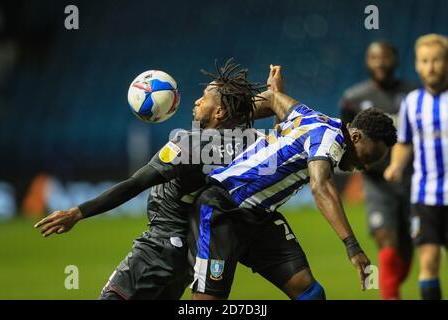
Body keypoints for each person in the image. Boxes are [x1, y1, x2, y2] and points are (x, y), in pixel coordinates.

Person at [34, 59, 290, 300]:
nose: (197, 102)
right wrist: (275, 97)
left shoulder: (188, 146)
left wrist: (78, 212)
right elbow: (272, 135)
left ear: (220, 111)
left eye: (204, 99)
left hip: (156, 249)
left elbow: (135, 184)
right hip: (187, 258)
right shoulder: (248, 144)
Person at [189, 69, 398, 300]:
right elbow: (321, 187)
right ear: (356, 137)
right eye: (367, 157)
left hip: (259, 217)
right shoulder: (331, 139)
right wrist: (352, 246)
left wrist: (271, 94)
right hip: (225, 208)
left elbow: (271, 99)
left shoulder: (311, 117)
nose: (363, 166)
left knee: (310, 294)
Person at [339, 41, 415, 299]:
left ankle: (393, 284)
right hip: (376, 185)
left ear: (395, 59)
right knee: (385, 239)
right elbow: (346, 139)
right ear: (367, 61)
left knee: (406, 250)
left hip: (412, 181)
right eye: (374, 57)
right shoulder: (353, 98)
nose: (380, 62)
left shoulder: (414, 94)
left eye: (385, 57)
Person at [384, 34, 448, 300]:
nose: (430, 66)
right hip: (425, 196)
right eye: (425, 61)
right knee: (429, 262)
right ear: (417, 65)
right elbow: (404, 142)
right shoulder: (411, 102)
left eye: (436, 60)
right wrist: (395, 165)